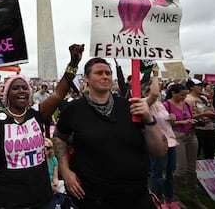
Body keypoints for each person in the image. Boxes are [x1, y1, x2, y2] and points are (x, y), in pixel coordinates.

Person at [0, 44, 84, 209]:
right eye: (15, 88)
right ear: (7, 95)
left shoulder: (37, 114)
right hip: (6, 200)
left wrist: (73, 63)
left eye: (25, 87)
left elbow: (58, 93)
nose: (21, 91)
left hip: (41, 198)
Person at [53, 57, 167, 209]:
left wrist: (148, 119)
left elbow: (160, 150)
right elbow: (59, 137)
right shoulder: (74, 109)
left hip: (136, 195)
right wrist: (65, 172)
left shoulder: (131, 107)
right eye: (99, 73)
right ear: (86, 78)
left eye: (108, 73)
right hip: (94, 197)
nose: (105, 76)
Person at [163, 83, 207, 209]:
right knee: (180, 170)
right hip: (177, 137)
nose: (184, 97)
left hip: (191, 136)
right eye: (181, 95)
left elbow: (191, 117)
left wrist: (195, 123)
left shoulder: (186, 104)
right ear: (173, 93)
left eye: (185, 94)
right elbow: (164, 123)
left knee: (192, 170)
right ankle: (174, 197)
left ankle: (193, 197)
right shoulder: (166, 105)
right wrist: (182, 122)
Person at [145, 67, 180, 209]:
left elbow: (166, 122)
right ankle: (157, 201)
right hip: (158, 143)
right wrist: (154, 74)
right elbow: (154, 94)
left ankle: (168, 200)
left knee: (170, 172)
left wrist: (171, 118)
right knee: (158, 174)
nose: (158, 92)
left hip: (170, 142)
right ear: (146, 91)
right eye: (155, 89)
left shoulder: (160, 104)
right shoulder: (144, 102)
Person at [185, 79, 215, 159]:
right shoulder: (187, 99)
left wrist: (213, 113)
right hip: (197, 128)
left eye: (202, 85)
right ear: (192, 87)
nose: (202, 87)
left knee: (210, 152)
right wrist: (204, 114)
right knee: (194, 153)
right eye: (199, 85)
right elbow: (187, 117)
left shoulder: (203, 98)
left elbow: (209, 109)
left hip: (209, 127)